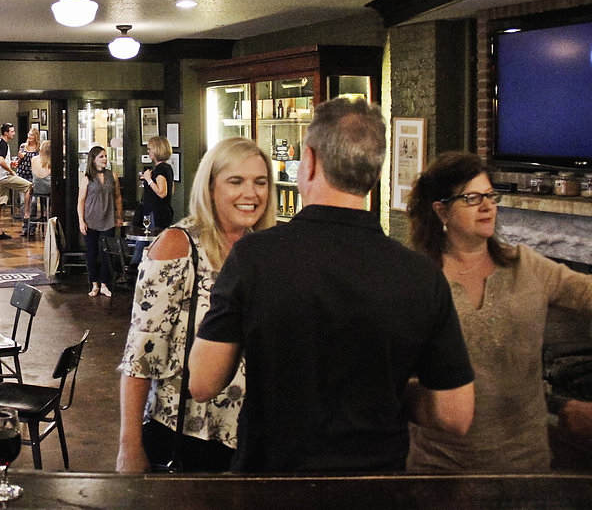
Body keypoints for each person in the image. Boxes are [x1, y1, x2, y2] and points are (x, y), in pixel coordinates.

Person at [189, 97, 475, 473]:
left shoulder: (254, 258)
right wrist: (387, 391)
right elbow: (455, 415)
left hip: (272, 480)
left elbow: (203, 381)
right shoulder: (421, 275)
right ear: (375, 172)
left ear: (308, 160)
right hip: (375, 485)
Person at [406, 152, 592, 472]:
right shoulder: (419, 280)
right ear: (441, 211)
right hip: (442, 469)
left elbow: (586, 293)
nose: (488, 206)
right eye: (472, 198)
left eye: (491, 195)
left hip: (525, 465)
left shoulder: (525, 265)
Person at [117, 137, 277, 473]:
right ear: (210, 186)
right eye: (236, 181)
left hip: (251, 438)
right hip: (187, 436)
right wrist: (129, 447)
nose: (251, 193)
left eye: (260, 182)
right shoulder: (179, 245)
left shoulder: (261, 250)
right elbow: (140, 357)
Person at [78, 145, 123, 298]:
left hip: (108, 219)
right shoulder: (87, 178)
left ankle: (104, 284)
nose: (105, 159)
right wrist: (81, 221)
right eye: (101, 157)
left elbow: (117, 197)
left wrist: (118, 216)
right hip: (91, 220)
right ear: (93, 159)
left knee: (106, 253)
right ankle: (94, 284)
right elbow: (81, 201)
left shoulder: (113, 176)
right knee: (92, 253)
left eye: (105, 156)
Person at [131, 135, 174, 264]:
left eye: (150, 149)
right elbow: (171, 190)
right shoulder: (168, 168)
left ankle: (133, 272)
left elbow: (162, 192)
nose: (148, 151)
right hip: (162, 212)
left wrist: (149, 179)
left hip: (155, 213)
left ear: (157, 150)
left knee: (143, 243)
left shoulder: (160, 169)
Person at [0, 122, 31, 240]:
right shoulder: (3, 144)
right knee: (28, 186)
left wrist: (10, 163)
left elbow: (3, 161)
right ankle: (27, 213)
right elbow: (1, 161)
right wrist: (11, 171)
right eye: (11, 131)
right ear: (6, 133)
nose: (13, 133)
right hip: (4, 177)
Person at [26, 139, 52, 238]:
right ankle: (49, 215)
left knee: (29, 188)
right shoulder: (51, 161)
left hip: (37, 189)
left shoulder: (34, 159)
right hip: (48, 189)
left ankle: (28, 213)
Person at [17, 127, 41, 232]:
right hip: (23, 175)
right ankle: (25, 226)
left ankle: (32, 227)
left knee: (33, 202)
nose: (29, 137)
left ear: (36, 137)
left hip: (34, 176)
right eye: (29, 134)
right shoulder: (23, 146)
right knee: (23, 202)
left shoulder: (39, 148)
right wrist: (20, 157)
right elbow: (18, 162)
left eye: (32, 135)